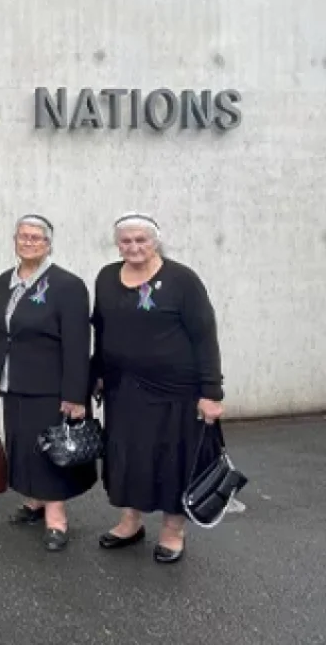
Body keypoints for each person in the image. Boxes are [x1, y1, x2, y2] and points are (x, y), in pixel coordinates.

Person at [92, 212, 226, 564]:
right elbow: (101, 329)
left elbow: (204, 336)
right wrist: (98, 373)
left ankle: (172, 530)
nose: (134, 247)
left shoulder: (183, 280)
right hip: (124, 389)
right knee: (127, 455)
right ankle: (130, 522)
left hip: (175, 391)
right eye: (126, 241)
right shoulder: (106, 277)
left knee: (171, 459)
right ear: (117, 244)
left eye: (141, 240)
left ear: (155, 242)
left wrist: (211, 392)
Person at [0, 214, 95, 552]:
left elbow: (78, 344)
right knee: (23, 445)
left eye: (36, 238)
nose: (28, 242)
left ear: (49, 244)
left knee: (50, 450)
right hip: (13, 382)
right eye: (23, 236)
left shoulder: (67, 285)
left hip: (50, 385)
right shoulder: (4, 281)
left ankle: (56, 517)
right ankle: (35, 501)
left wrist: (75, 394)